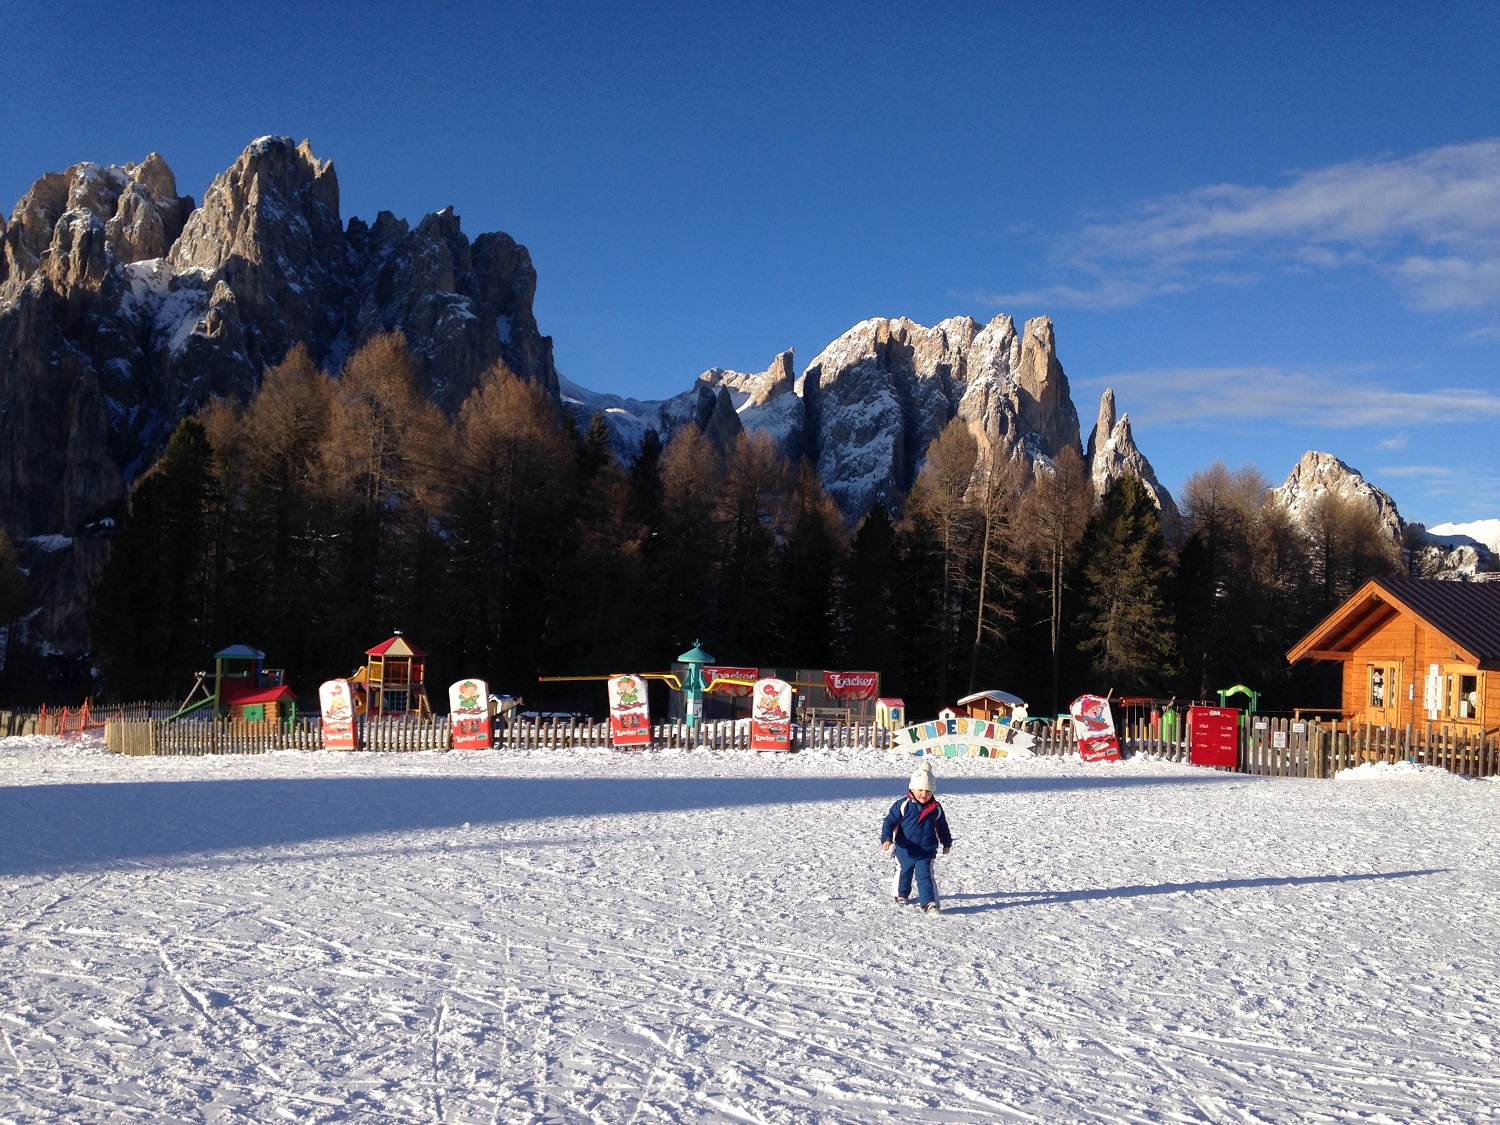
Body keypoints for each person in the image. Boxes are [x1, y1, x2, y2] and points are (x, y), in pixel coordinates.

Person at [880, 761, 952, 913]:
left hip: (926, 849)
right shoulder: (903, 805)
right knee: (903, 871)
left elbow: (942, 826)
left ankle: (929, 903)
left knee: (925, 876)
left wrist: (946, 842)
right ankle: (901, 893)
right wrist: (887, 838)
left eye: (928, 791)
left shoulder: (936, 808)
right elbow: (889, 822)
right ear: (912, 788)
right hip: (904, 848)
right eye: (920, 790)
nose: (924, 794)